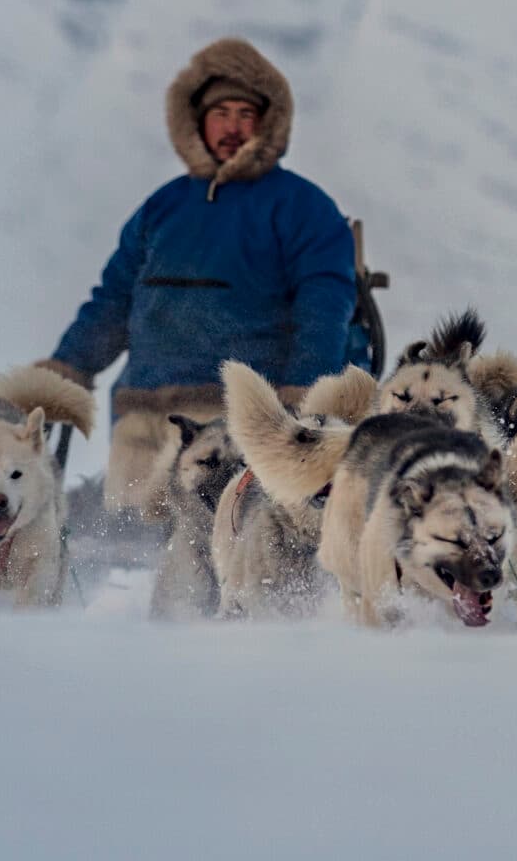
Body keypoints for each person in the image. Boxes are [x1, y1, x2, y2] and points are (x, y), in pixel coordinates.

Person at [38, 37, 357, 513]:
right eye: (221, 112)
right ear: (195, 121)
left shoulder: (302, 207)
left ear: (268, 122)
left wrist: (303, 397)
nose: (232, 126)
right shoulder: (162, 208)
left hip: (247, 420)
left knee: (226, 546)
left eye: (245, 114)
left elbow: (324, 306)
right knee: (129, 538)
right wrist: (69, 369)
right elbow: (115, 299)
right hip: (146, 415)